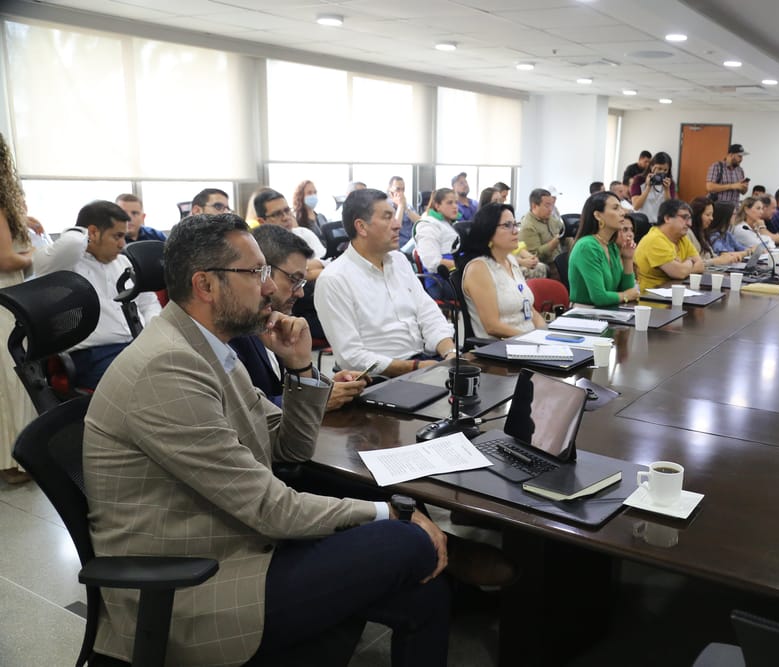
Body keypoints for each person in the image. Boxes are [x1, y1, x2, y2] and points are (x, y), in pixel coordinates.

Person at [83, 213, 450, 667]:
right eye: (256, 273)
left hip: (237, 543)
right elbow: (270, 508)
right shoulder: (168, 367)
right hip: (195, 585)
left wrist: (299, 367)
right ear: (205, 285)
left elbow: (287, 447)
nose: (271, 287)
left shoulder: (207, 347)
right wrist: (391, 513)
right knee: (405, 541)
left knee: (425, 595)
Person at [315, 189, 455, 377]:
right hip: (381, 377)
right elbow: (351, 357)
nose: (397, 225)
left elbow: (428, 313)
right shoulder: (334, 279)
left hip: (423, 362)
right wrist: (415, 367)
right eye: (387, 217)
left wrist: (450, 353)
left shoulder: (399, 261)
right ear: (361, 227)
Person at [230, 225, 365, 410]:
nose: (300, 293)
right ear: (263, 271)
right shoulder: (237, 329)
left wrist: (322, 386)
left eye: (302, 282)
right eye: (294, 280)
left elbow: (283, 388)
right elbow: (246, 410)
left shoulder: (273, 322)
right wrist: (316, 398)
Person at [34, 200, 161, 389]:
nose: (122, 244)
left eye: (124, 236)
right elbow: (71, 243)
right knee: (151, 385)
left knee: (181, 374)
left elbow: (149, 304)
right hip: (94, 356)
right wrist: (80, 231)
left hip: (138, 347)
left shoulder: (125, 263)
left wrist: (152, 337)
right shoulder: (63, 266)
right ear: (92, 233)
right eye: (117, 236)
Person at [0, 133, 35, 485]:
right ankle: (14, 461)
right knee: (11, 378)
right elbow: (6, 259)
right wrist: (32, 254)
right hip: (4, 299)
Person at [458, 203, 546, 339]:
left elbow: (531, 311)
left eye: (515, 224)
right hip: (502, 346)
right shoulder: (479, 269)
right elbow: (492, 326)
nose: (515, 231)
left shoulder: (511, 261)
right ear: (488, 231)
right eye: (507, 225)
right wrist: (531, 339)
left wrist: (545, 335)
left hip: (528, 341)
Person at [568, 191, 639, 306]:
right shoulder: (587, 246)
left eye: (621, 208)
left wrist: (627, 259)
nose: (622, 213)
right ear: (598, 215)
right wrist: (626, 295)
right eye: (615, 208)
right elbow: (599, 297)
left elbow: (626, 289)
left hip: (608, 310)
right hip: (584, 312)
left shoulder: (611, 245)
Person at [635, 198, 705, 290]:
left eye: (690, 218)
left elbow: (700, 265)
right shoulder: (655, 240)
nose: (689, 224)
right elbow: (680, 273)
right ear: (667, 218)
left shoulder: (682, 238)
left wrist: (683, 267)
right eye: (684, 218)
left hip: (678, 290)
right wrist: (690, 261)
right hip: (654, 295)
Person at [254, 188, 327, 266]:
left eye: (287, 210)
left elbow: (326, 261)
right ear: (262, 222)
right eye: (277, 214)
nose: (285, 217)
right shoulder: (258, 247)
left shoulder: (303, 233)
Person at [688, 197, 743, 268]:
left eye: (712, 215)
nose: (711, 218)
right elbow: (693, 263)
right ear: (697, 215)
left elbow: (712, 256)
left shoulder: (703, 233)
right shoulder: (688, 234)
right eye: (708, 215)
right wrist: (718, 260)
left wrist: (729, 257)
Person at [414, 187, 460, 273]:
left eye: (456, 202)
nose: (455, 206)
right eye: (450, 203)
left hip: (459, 273)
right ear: (437, 206)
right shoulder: (428, 225)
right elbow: (432, 262)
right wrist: (465, 266)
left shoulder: (452, 224)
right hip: (442, 277)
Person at [519, 188, 565, 268]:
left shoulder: (549, 218)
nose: (550, 209)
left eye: (551, 205)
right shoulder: (528, 226)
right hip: (549, 266)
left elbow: (562, 229)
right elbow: (535, 256)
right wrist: (553, 243)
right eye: (547, 206)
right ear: (534, 206)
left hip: (561, 259)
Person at [631, 151, 675, 220]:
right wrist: (648, 187)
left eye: (665, 170)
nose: (662, 172)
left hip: (660, 222)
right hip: (641, 221)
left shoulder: (670, 183)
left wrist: (667, 190)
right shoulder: (639, 180)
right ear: (652, 167)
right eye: (659, 168)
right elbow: (636, 206)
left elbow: (669, 209)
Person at [389, 176, 420, 248]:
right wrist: (400, 206)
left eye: (403, 190)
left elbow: (420, 222)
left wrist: (406, 208)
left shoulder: (408, 206)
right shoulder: (387, 207)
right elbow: (395, 227)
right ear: (391, 192)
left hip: (412, 245)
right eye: (398, 189)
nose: (401, 193)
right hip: (398, 246)